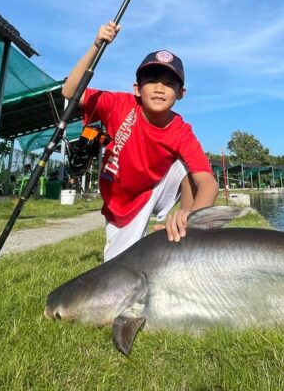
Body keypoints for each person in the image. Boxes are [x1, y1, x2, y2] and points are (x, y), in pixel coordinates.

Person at [63, 21, 218, 260]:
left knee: (189, 166)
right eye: (152, 81)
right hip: (122, 202)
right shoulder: (118, 104)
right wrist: (96, 46)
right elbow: (70, 91)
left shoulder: (181, 129)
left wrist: (191, 216)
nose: (159, 88)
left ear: (180, 93)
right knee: (119, 268)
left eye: (169, 83)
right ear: (137, 89)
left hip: (157, 186)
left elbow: (208, 183)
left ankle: (186, 238)